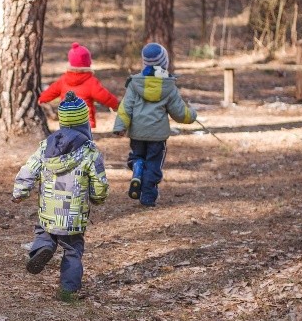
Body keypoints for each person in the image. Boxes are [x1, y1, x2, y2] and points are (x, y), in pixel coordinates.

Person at [13, 91, 109, 301]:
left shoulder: (47, 146)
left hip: (48, 210)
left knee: (44, 232)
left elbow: (30, 169)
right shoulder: (90, 151)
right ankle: (67, 290)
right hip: (74, 215)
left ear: (62, 122)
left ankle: (43, 247)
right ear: (84, 122)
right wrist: (98, 197)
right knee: (73, 250)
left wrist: (20, 190)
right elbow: (100, 181)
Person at [113, 42, 197, 207]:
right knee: (153, 163)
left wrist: (120, 126)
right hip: (157, 137)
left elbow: (125, 107)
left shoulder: (134, 84)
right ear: (164, 63)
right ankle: (148, 197)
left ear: (144, 63)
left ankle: (137, 166)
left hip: (137, 133)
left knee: (138, 156)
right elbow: (179, 112)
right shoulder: (168, 87)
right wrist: (192, 115)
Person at [38, 42, 119, 129]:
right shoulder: (91, 82)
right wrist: (117, 105)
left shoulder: (63, 80)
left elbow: (51, 91)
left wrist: (41, 99)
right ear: (88, 63)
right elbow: (105, 96)